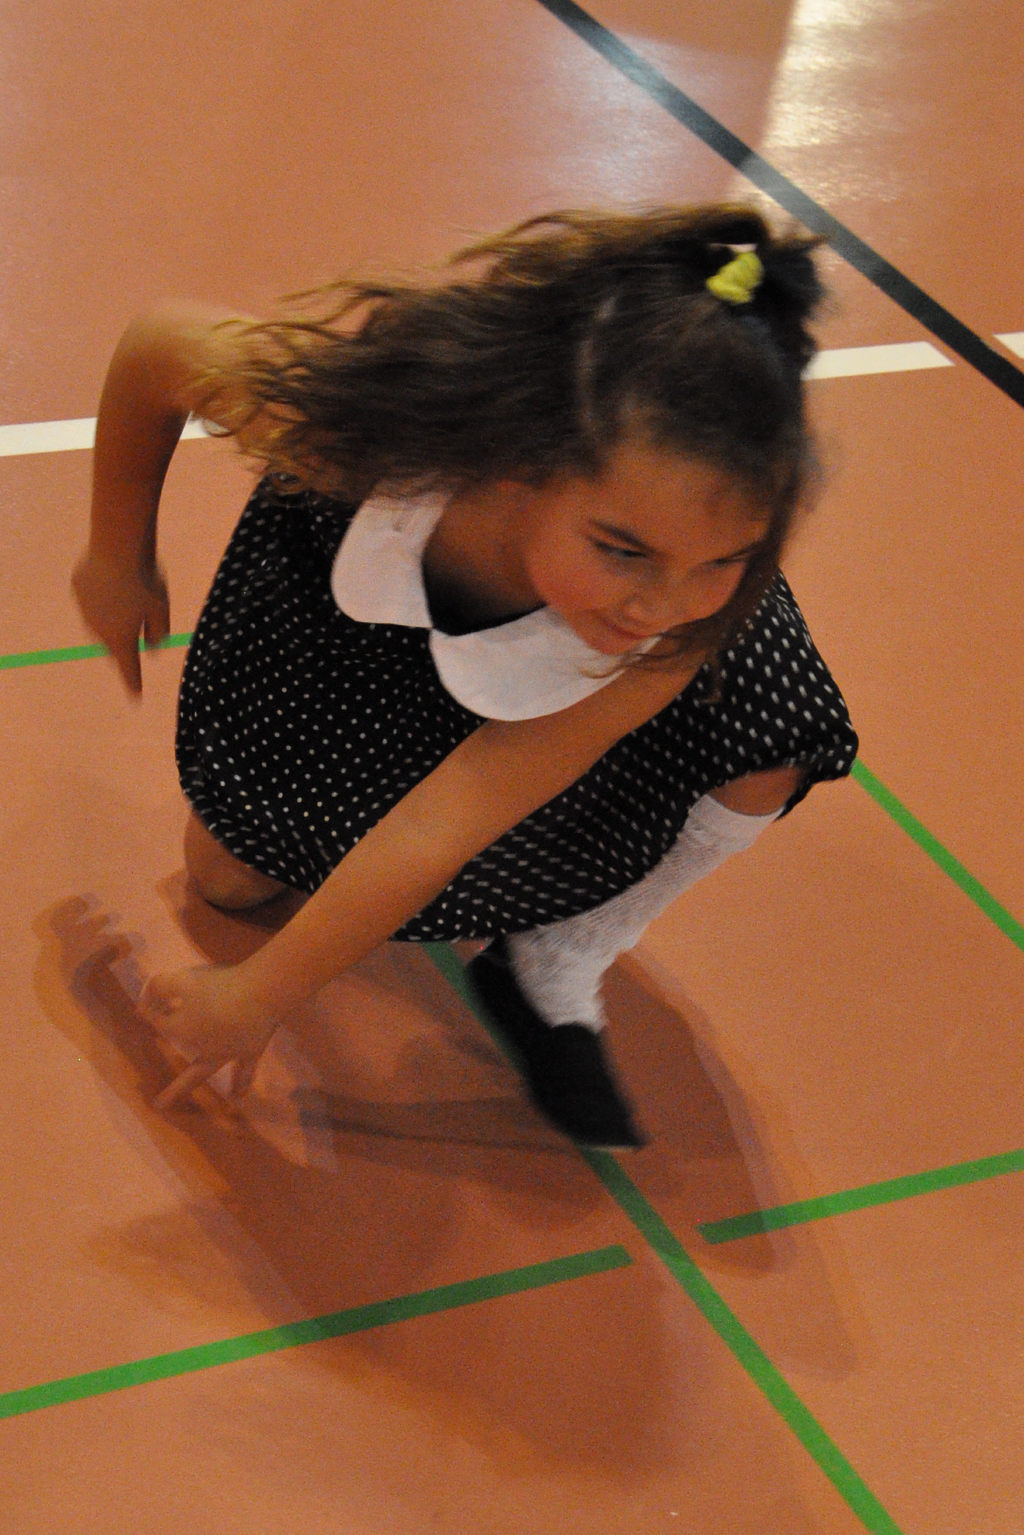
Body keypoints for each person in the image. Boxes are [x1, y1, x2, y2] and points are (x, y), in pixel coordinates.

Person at [72, 205, 857, 1148]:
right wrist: (116, 551)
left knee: (774, 723)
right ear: (518, 463)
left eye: (726, 557)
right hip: (349, 645)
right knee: (228, 878)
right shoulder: (356, 433)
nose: (660, 604)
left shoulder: (679, 619)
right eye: (623, 548)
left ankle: (562, 950)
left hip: (546, 701)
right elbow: (160, 345)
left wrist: (259, 994)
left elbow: (450, 814)